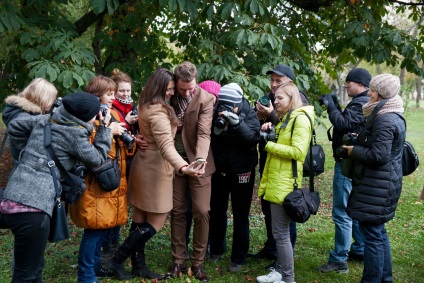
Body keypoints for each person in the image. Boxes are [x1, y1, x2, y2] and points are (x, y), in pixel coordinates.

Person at [0, 92, 111, 283]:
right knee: (25, 275)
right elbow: (99, 159)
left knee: (34, 268)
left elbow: (15, 125)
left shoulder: (46, 120)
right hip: (34, 211)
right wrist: (104, 129)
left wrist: (26, 155)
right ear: (86, 116)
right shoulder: (75, 135)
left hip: (12, 199)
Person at [105, 68, 204, 280]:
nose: (171, 92)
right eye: (168, 89)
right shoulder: (158, 112)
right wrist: (184, 167)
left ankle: (138, 265)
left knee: (140, 218)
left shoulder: (144, 104)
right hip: (155, 171)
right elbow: (167, 146)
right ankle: (116, 260)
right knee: (155, 222)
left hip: (143, 165)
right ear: (159, 87)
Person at [68, 76, 134, 283]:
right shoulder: (85, 116)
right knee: (93, 230)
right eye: (109, 94)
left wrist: (129, 141)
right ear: (96, 94)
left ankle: (95, 267)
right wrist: (108, 130)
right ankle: (86, 275)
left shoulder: (111, 113)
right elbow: (86, 149)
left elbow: (119, 148)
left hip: (110, 180)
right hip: (93, 183)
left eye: (114, 94)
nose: (113, 98)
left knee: (102, 227)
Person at [344, 74, 405, 283]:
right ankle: (385, 279)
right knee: (377, 233)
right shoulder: (390, 114)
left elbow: (379, 156)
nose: (368, 93)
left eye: (371, 90)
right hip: (380, 184)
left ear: (379, 94)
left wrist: (354, 150)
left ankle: (371, 280)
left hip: (377, 186)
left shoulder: (385, 119)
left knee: (372, 235)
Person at [256, 82, 314, 283]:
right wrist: (269, 132)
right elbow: (284, 143)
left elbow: (298, 152)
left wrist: (269, 145)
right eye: (275, 97)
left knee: (280, 234)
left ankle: (288, 279)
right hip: (277, 180)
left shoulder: (300, 120)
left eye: (280, 98)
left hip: (285, 183)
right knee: (279, 233)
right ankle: (279, 272)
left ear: (292, 99)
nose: (275, 101)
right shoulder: (286, 119)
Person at [250, 65, 306, 264]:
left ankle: (283, 260)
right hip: (269, 162)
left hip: (285, 167)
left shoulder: (298, 100)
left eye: (278, 81)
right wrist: (257, 116)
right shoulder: (268, 97)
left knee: (285, 212)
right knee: (269, 209)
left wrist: (271, 114)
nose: (273, 85)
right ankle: (272, 247)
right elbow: (259, 130)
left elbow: (289, 127)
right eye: (272, 80)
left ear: (290, 83)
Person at [317, 68, 370, 273]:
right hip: (353, 162)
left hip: (347, 163)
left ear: (361, 84)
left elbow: (344, 125)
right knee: (352, 208)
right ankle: (359, 248)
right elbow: (348, 122)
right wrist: (336, 105)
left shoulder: (361, 102)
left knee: (342, 211)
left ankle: (339, 259)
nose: (346, 85)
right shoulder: (361, 102)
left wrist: (331, 107)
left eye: (349, 82)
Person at [166, 62, 215, 282]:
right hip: (173, 161)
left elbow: (204, 133)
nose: (187, 92)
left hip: (199, 161)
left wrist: (201, 159)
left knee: (202, 210)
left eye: (191, 88)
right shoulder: (167, 95)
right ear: (175, 82)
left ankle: (198, 262)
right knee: (177, 211)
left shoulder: (206, 99)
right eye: (183, 88)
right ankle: (178, 260)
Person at [208, 83, 260, 272]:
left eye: (231, 106)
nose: (227, 109)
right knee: (217, 210)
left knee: (240, 214)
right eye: (224, 105)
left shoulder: (249, 112)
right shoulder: (217, 110)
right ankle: (216, 249)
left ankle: (238, 258)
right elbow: (210, 137)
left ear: (239, 103)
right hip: (220, 169)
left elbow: (253, 138)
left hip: (242, 170)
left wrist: (238, 123)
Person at [100, 69, 138, 264]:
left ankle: (112, 246)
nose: (125, 94)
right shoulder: (108, 110)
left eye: (128, 91)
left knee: (119, 205)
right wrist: (126, 123)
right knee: (110, 205)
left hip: (125, 163)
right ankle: (107, 248)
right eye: (121, 91)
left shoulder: (131, 107)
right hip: (111, 164)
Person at [184, 80, 221, 258]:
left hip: (208, 165)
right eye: (208, 98)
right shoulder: (188, 107)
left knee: (203, 209)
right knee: (184, 210)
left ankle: (203, 248)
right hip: (187, 162)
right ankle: (182, 247)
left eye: (215, 99)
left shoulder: (218, 114)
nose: (211, 103)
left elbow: (205, 135)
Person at [2, 78, 58, 167]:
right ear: (43, 98)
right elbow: (37, 149)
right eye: (52, 99)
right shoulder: (24, 119)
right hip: (27, 170)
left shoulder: (18, 112)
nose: (52, 103)